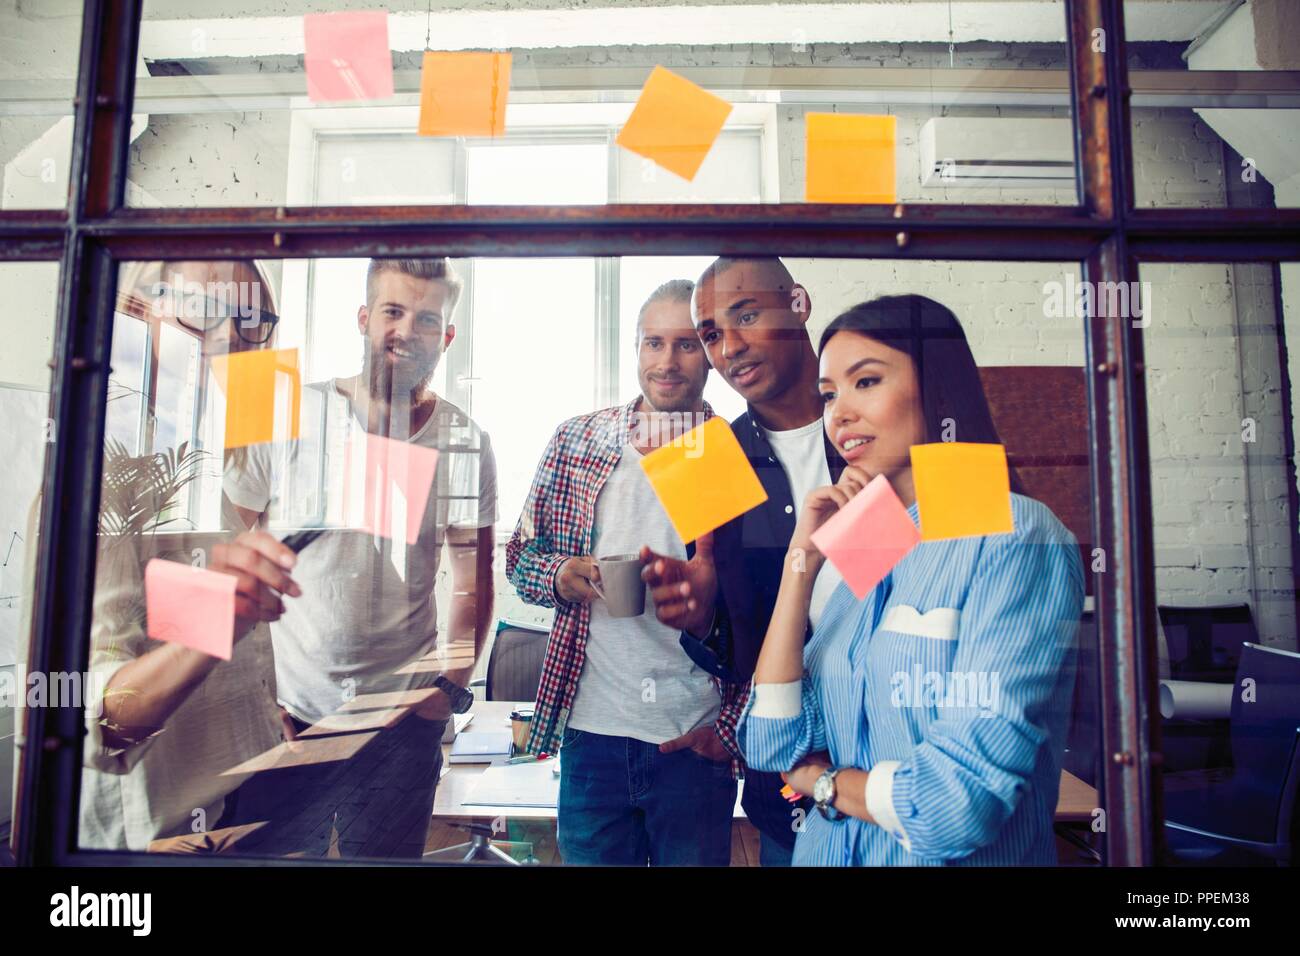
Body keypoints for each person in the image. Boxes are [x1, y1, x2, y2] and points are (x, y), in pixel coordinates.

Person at [737, 294, 1083, 865]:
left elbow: (953, 807)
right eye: (829, 395)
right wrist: (802, 564)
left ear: (938, 388)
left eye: (865, 381)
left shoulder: (1016, 534)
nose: (838, 413)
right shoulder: (873, 541)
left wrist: (826, 785)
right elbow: (773, 743)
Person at [222, 257, 497, 859]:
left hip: (398, 727)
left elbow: (472, 584)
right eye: (393, 312)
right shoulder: (287, 411)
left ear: (447, 336)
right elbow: (231, 560)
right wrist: (258, 700)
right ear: (364, 318)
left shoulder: (465, 442)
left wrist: (448, 691)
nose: (406, 330)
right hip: (289, 719)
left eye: (427, 319)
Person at [66, 259, 299, 850]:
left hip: (242, 805)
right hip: (152, 844)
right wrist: (216, 622)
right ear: (136, 314)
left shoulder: (207, 458)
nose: (227, 344)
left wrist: (262, 711)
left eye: (251, 325)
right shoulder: (103, 476)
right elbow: (96, 729)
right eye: (200, 312)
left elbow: (180, 628)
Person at [506, 280, 739, 866]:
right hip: (591, 739)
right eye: (653, 343)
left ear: (710, 352)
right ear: (635, 348)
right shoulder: (577, 440)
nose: (666, 362)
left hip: (690, 737)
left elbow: (764, 615)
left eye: (686, 345)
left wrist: (729, 729)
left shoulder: (726, 456)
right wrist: (561, 575)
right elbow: (520, 557)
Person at [640, 256, 845, 865]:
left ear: (799, 303)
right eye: (711, 334)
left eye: (747, 315)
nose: (729, 347)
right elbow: (734, 653)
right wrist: (703, 621)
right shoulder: (705, 460)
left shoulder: (878, 425)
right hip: (788, 786)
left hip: (900, 764)